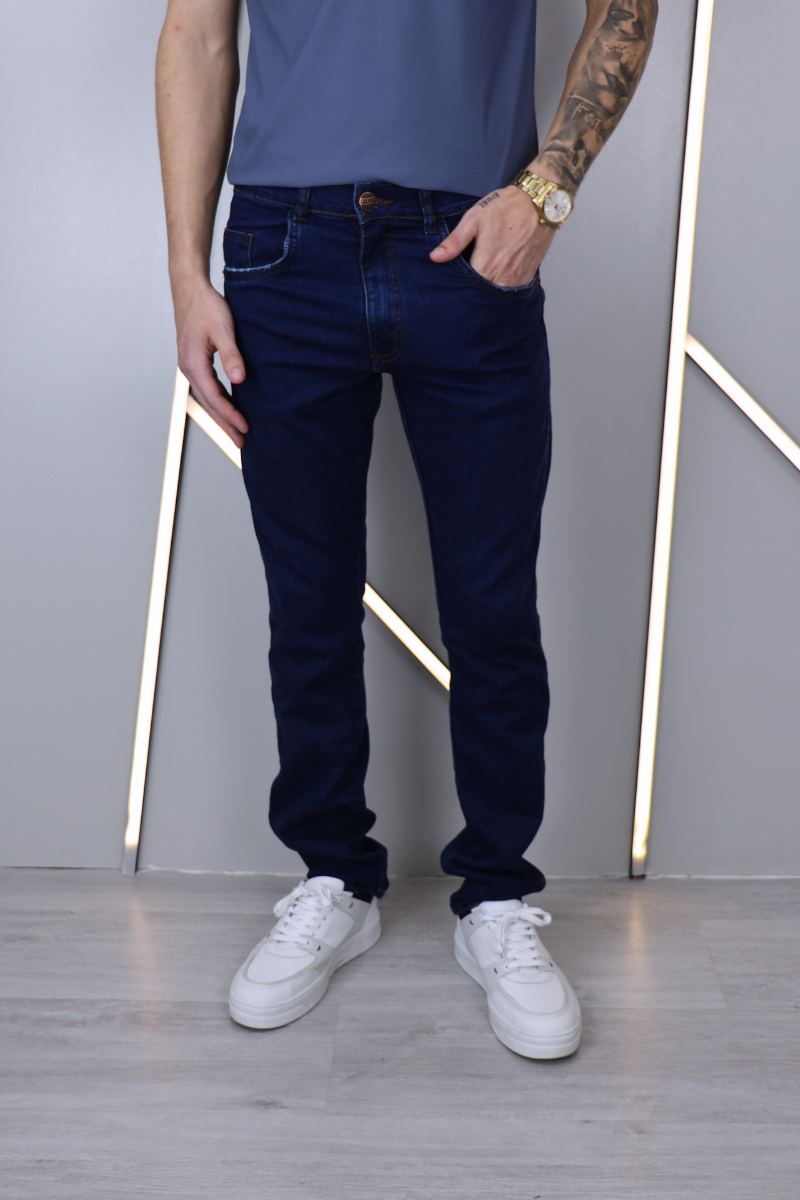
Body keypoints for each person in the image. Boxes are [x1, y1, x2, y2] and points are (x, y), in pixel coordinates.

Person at [156, 0, 657, 1059]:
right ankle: (333, 878)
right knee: (307, 602)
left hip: (472, 240)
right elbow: (197, 34)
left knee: (491, 606)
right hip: (284, 250)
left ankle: (497, 897)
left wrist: (546, 193)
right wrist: (186, 278)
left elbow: (627, 7)